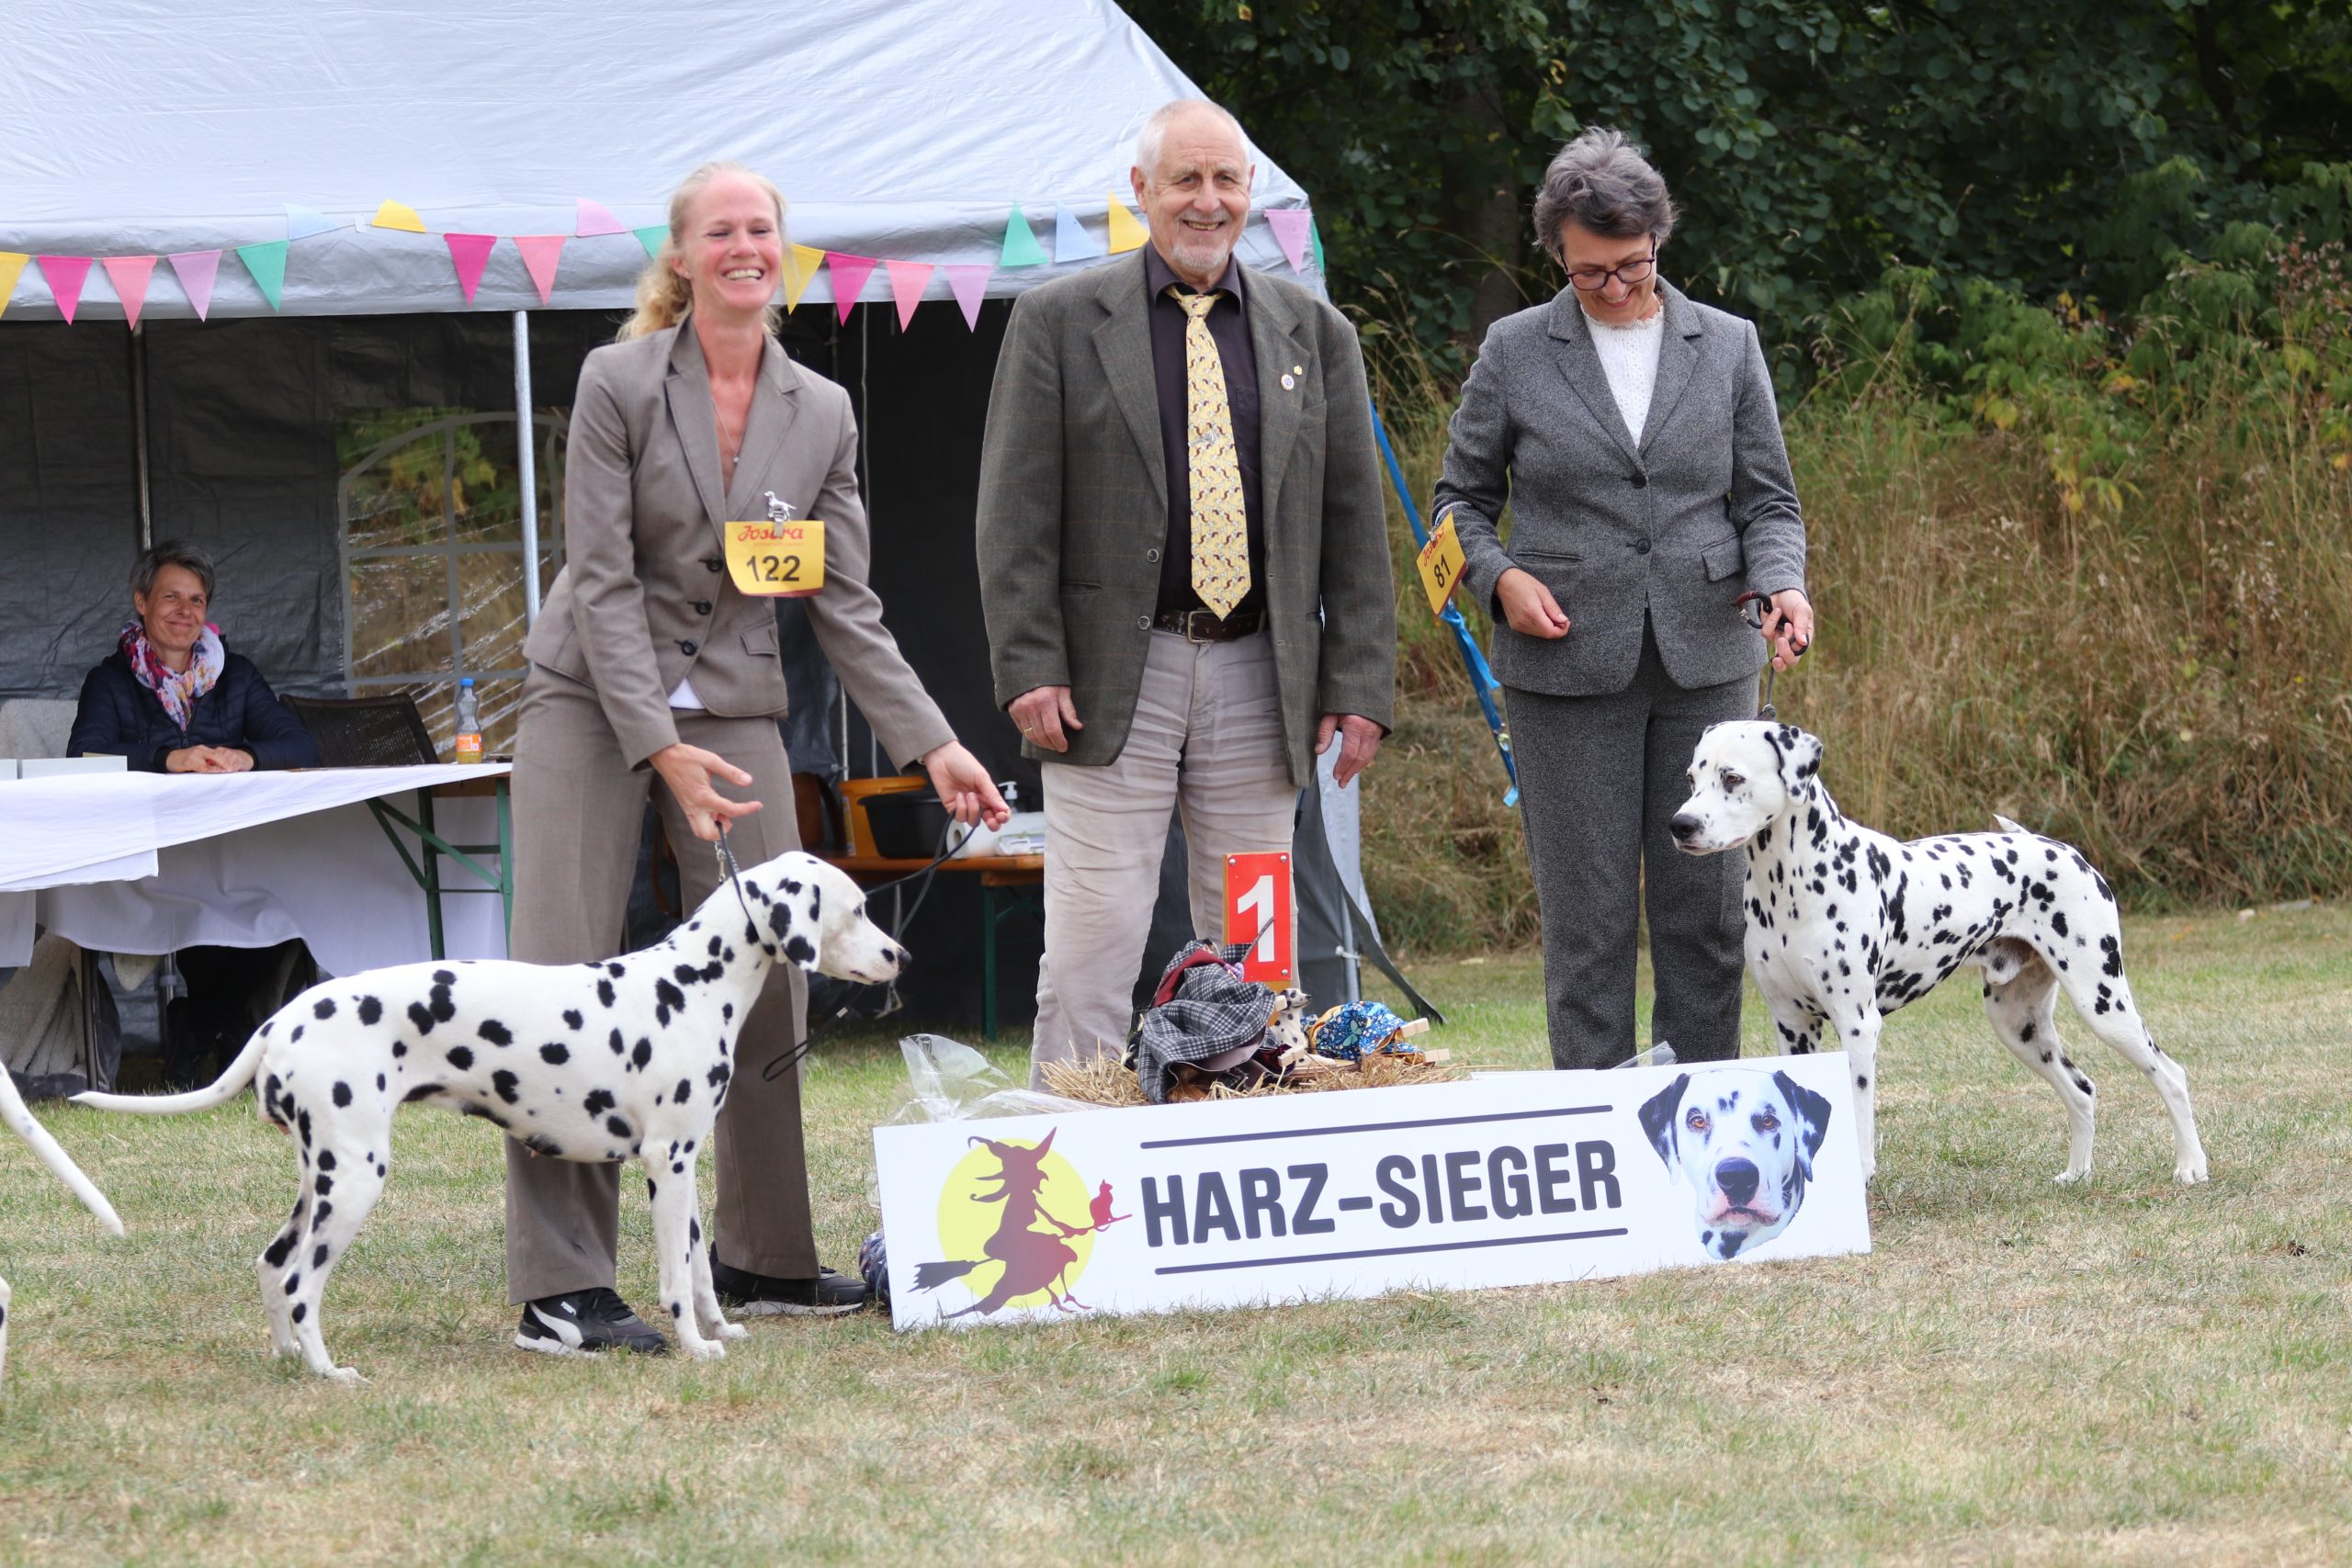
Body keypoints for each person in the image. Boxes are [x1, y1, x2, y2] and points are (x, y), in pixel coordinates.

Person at [503, 161, 1007, 1355]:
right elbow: (604, 583)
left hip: (734, 705)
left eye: (762, 228)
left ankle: (764, 1254)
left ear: (784, 249)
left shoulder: (819, 410)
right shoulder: (619, 380)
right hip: (589, 696)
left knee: (776, 969)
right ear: (682, 256)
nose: (744, 246)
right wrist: (659, 747)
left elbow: (846, 605)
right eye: (720, 230)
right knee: (562, 979)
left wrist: (933, 743)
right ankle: (563, 1287)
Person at [976, 99, 1396, 1087]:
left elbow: (1353, 524)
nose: (1207, 202)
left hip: (1264, 674)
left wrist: (1359, 683)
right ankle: (1065, 1150)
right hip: (1106, 678)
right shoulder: (1058, 321)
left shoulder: (1315, 332)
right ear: (1141, 191)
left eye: (1226, 181)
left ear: (1249, 192)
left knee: (1258, 952)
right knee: (1092, 946)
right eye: (1185, 180)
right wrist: (1028, 664)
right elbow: (1014, 512)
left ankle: (1248, 1138)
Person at [1431, 128, 1814, 1073]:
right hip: (1562, 669)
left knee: (1706, 918)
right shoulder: (1514, 349)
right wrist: (1500, 578)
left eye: (1632, 267)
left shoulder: (1728, 345)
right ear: (1556, 255)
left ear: (1659, 240)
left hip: (1709, 662)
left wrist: (1782, 581)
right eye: (1590, 271)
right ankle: (1598, 1129)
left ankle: (1701, 1118)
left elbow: (1768, 501)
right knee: (1588, 924)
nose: (1613, 288)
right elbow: (1455, 507)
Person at [67, 540, 322, 1086]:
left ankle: (199, 1024)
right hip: (148, 854)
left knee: (290, 901)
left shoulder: (237, 675)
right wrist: (168, 758)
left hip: (234, 847)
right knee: (202, 905)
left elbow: (302, 745)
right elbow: (83, 757)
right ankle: (220, 1029)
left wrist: (248, 756)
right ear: (141, 602)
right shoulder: (110, 680)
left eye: (197, 600)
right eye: (171, 597)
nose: (185, 611)